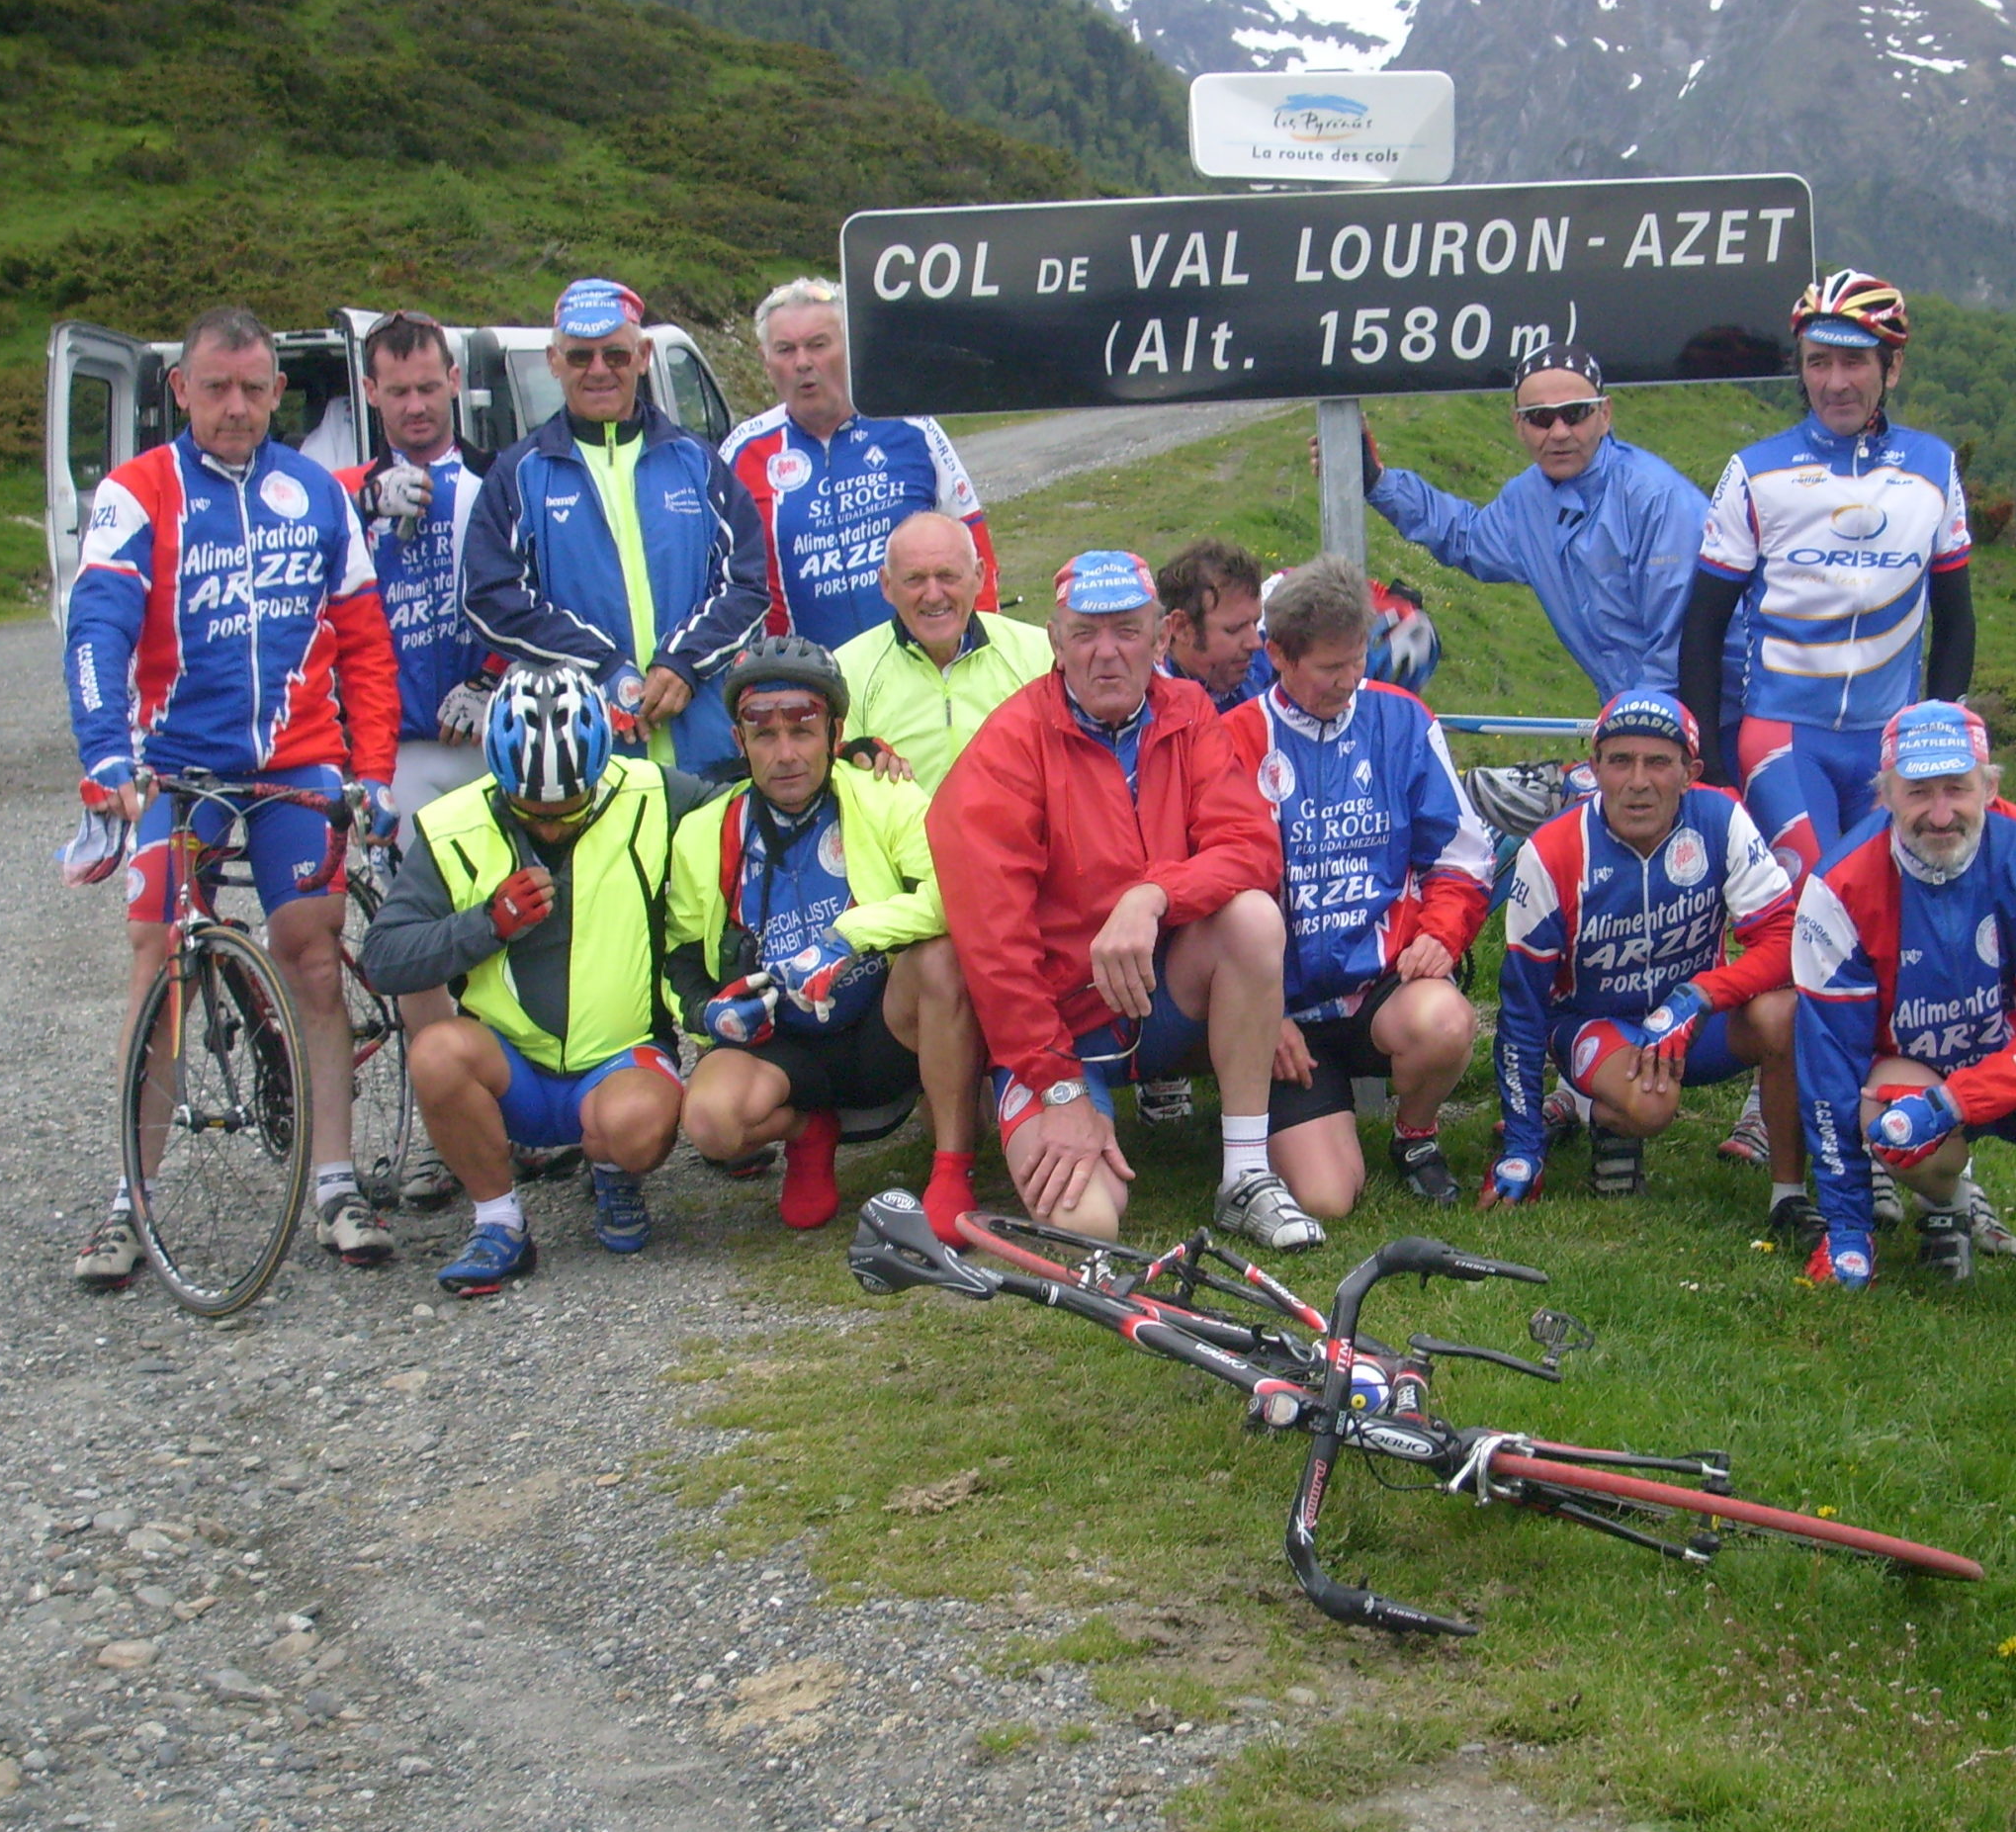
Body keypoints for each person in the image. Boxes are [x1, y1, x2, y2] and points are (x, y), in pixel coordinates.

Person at [65, 305, 403, 1286]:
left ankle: (335, 1181)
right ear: (181, 389)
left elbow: (366, 644)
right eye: (217, 388)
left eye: (256, 390)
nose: (238, 408)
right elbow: (97, 631)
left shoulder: (314, 493)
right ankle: (131, 1201)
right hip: (173, 768)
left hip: (294, 764)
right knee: (155, 961)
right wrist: (103, 755)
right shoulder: (138, 493)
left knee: (310, 955)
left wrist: (369, 768)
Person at [925, 551, 1317, 1251]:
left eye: (1127, 632)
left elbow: (1252, 846)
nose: (1107, 654)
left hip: (1158, 998)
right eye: (1085, 634)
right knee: (1089, 1222)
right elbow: (993, 945)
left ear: (1161, 638)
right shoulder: (1010, 745)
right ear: (1054, 640)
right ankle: (1055, 1108)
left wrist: (1154, 894)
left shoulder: (1189, 710)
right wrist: (1059, 1089)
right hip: (1059, 1031)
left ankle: (1246, 1176)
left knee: (1252, 919)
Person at [359, 665, 714, 1293]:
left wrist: (850, 757)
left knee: (637, 1127)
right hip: (509, 1072)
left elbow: (753, 809)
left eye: (569, 808)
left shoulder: (655, 791)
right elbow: (383, 958)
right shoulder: (449, 825)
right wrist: (486, 925)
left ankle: (611, 1172)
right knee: (436, 1052)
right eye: (531, 812)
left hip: (619, 1061)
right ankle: (498, 1220)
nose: (549, 825)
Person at [1791, 702, 2016, 1338]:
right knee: (1885, 1117)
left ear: (1991, 788)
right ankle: (1944, 1205)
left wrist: (1956, 1101)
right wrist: (1846, 1226)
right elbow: (1828, 1066)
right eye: (1918, 791)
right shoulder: (1838, 883)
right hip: (1914, 1069)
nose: (1941, 813)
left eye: (1958, 788)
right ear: (1886, 794)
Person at [667, 637, 987, 1240]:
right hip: (781, 1041)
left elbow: (953, 897)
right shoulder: (703, 833)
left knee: (943, 961)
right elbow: (680, 960)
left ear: (835, 732)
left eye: (804, 731)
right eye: (764, 736)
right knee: (710, 1122)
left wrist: (849, 938)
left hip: (881, 1028)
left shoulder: (885, 792)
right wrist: (706, 1013)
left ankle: (951, 1167)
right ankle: (807, 1135)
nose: (785, 754)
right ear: (740, 741)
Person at [1678, 270, 1974, 883]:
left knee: (1892, 908)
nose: (1834, 383)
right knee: (1822, 901)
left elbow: (1955, 619)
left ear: (1890, 369)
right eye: (1817, 363)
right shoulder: (1755, 473)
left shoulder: (1934, 468)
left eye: (1854, 362)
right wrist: (1709, 766)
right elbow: (1702, 628)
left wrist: (1940, 736)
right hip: (1784, 741)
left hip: (1889, 741)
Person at [1222, 557, 1493, 1218]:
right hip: (1283, 1015)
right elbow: (1214, 898)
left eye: (1357, 663)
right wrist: (1262, 1018)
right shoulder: (1233, 738)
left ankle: (1416, 1135)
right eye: (1329, 668)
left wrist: (1439, 935)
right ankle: (1257, 1116)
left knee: (1447, 1021)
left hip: (1380, 987)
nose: (1348, 682)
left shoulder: (1401, 720)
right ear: (1277, 654)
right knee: (1326, 1199)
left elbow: (1462, 852)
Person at [1480, 693, 1806, 1230]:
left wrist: (1704, 994)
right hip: (1596, 1026)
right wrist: (1522, 1144)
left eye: (1658, 762)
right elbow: (1521, 1009)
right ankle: (1611, 1116)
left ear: (1689, 773)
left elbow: (1784, 938)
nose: (1638, 781)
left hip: (1694, 1022)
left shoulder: (1721, 819)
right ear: (1594, 768)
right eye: (1620, 761)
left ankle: (1788, 1195)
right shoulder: (1553, 851)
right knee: (1649, 1104)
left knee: (1786, 1015)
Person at [463, 277, 769, 777]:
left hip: (709, 755)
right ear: (554, 361)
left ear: (644, 356)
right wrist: (598, 667)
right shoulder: (518, 474)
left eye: (616, 355)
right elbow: (491, 597)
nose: (599, 370)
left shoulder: (698, 462)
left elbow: (747, 584)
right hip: (587, 761)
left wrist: (684, 663)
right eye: (580, 357)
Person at [1344, 346, 1711, 702]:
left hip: (1712, 713)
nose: (1559, 432)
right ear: (1518, 424)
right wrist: (1379, 483)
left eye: (1576, 413)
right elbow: (1467, 538)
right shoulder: (1528, 498)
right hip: (1636, 714)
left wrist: (1636, 730)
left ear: (1605, 414)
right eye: (1540, 418)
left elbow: (1681, 643)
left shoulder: (1657, 500)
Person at [721, 278, 998, 648]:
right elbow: (723, 584)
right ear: (766, 362)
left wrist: (984, 647)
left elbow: (973, 547)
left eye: (818, 345)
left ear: (851, 346)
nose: (803, 362)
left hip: (919, 668)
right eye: (785, 350)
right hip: (804, 683)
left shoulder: (912, 428)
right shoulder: (742, 452)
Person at [337, 309, 495, 840]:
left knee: (514, 907)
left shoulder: (503, 478)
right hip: (396, 751)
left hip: (490, 737)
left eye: (428, 387)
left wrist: (493, 675)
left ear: (454, 380)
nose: (416, 406)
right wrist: (362, 504)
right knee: (413, 914)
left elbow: (544, 598)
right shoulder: (340, 493)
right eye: (398, 391)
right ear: (370, 390)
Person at [834, 512, 1051, 790]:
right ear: (887, 585)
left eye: (947, 576)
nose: (934, 595)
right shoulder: (847, 669)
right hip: (903, 834)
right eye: (914, 579)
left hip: (1015, 832)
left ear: (978, 576)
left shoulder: (1040, 654)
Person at [1157, 537, 1275, 714]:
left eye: (1255, 623)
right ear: (1182, 628)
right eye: (1234, 629)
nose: (1255, 643)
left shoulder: (1264, 659)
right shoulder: (1153, 709)